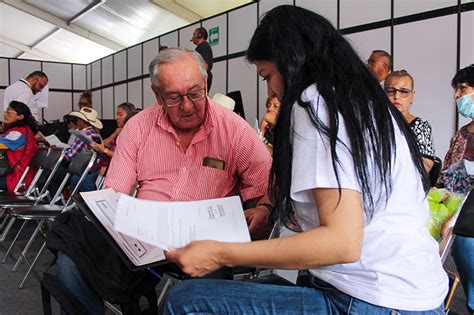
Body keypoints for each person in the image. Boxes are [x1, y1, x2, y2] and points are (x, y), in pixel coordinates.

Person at [164, 6, 447, 314]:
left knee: (185, 300)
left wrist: (220, 254)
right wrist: (267, 206)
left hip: (371, 298)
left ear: (291, 62)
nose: (271, 89)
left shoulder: (315, 102)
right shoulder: (363, 102)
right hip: (412, 294)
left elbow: (342, 242)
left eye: (268, 76)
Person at [55, 48, 272, 314]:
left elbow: (266, 188)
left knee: (204, 297)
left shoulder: (235, 130)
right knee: (70, 261)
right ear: (157, 94)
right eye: (174, 97)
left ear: (205, 84)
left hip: (205, 243)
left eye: (194, 93)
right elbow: (115, 193)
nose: (188, 106)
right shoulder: (138, 127)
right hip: (143, 236)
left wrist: (263, 210)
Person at [438, 64, 474, 313]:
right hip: (451, 220)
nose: (457, 96)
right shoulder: (460, 135)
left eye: (463, 89)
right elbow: (445, 175)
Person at [385, 70, 435, 172]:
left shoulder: (421, 126)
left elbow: (425, 166)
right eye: (391, 91)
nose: (396, 96)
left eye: (404, 92)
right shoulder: (374, 124)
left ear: (412, 95)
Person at [0, 101, 38, 192]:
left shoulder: (19, 133)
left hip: (17, 178)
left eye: (9, 112)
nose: (5, 115)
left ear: (20, 116)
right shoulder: (19, 131)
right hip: (14, 175)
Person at [90, 102, 136, 177]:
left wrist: (104, 150)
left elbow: (122, 156)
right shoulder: (118, 131)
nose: (117, 118)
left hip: (116, 170)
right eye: (117, 115)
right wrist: (115, 133)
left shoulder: (131, 133)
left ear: (129, 116)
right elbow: (104, 143)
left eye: (120, 115)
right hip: (105, 165)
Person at [64, 107, 103, 192]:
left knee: (57, 173)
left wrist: (60, 153)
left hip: (81, 169)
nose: (77, 122)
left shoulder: (83, 135)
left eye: (78, 120)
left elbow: (70, 156)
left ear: (82, 121)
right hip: (91, 169)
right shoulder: (95, 134)